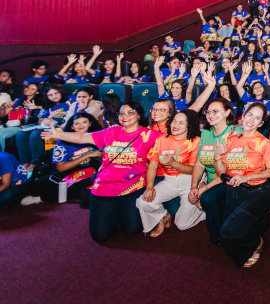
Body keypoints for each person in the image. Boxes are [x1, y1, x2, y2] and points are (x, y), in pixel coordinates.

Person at [41, 101, 162, 242]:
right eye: (122, 113)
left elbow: (172, 142)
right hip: (105, 186)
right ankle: (112, 213)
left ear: (139, 114)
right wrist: (57, 134)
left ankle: (121, 213)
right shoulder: (110, 132)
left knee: (131, 230)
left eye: (130, 112)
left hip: (133, 187)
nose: (125, 116)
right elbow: (81, 137)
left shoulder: (151, 135)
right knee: (100, 236)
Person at [212, 102, 270, 267]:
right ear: (244, 115)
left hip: (257, 192)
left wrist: (246, 177)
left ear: (261, 123)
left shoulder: (263, 143)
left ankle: (256, 243)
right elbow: (221, 172)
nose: (251, 120)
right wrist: (216, 156)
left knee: (229, 231)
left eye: (257, 118)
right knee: (227, 237)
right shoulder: (231, 139)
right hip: (233, 191)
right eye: (250, 115)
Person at [137, 107, 205, 237]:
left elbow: (193, 170)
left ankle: (205, 208)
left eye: (181, 122)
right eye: (174, 121)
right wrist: (149, 187)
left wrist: (173, 163)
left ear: (189, 125)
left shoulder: (195, 141)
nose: (175, 125)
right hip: (170, 181)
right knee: (142, 202)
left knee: (182, 225)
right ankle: (162, 216)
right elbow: (152, 166)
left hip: (190, 182)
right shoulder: (162, 139)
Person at [188, 98, 241, 245]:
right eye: (208, 112)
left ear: (227, 112)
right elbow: (199, 163)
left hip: (231, 180)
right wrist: (194, 186)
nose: (210, 115)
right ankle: (218, 235)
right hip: (212, 181)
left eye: (215, 111)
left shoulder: (235, 133)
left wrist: (203, 189)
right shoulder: (206, 133)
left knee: (208, 198)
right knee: (210, 200)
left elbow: (227, 173)